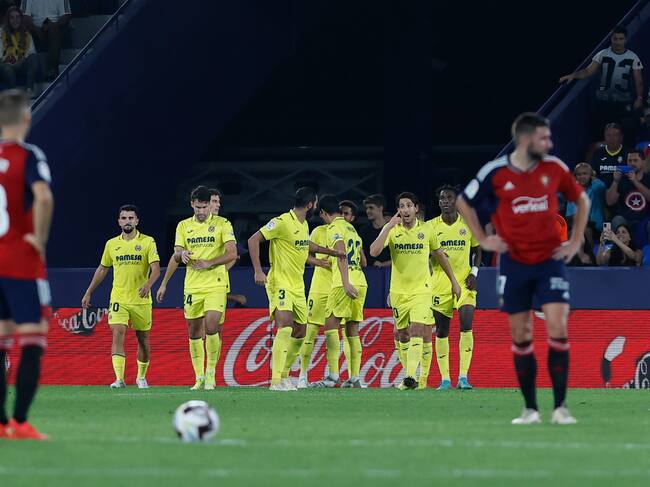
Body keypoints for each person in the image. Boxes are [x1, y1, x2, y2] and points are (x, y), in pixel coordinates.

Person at [457, 112, 590, 425]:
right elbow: (464, 201)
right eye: (544, 138)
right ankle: (530, 409)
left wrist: (574, 241)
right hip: (514, 263)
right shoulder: (496, 172)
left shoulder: (554, 168)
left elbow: (582, 199)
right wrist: (483, 239)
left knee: (558, 327)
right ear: (526, 139)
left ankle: (560, 408)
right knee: (521, 334)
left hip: (550, 262)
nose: (550, 143)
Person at [247, 187, 343, 391]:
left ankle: (284, 376)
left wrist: (331, 253)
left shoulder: (303, 224)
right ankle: (275, 381)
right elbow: (253, 239)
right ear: (310, 205)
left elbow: (306, 245)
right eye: (315, 203)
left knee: (300, 332)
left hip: (298, 286)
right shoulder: (281, 222)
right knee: (285, 327)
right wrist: (258, 271)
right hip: (280, 282)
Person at [0, 89, 53, 440]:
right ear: (26, 118)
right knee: (33, 338)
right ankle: (19, 422)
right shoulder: (28, 155)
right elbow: (44, 197)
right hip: (20, 259)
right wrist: (39, 238)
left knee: (1, 340)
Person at [370, 192, 461, 390]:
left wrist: (454, 281)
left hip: (422, 290)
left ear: (416, 208)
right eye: (401, 206)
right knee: (402, 335)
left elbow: (440, 256)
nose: (405, 210)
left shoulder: (427, 230)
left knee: (418, 330)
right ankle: (409, 378)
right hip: (398, 292)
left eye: (409, 205)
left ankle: (412, 376)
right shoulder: (392, 230)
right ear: (398, 210)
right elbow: (374, 251)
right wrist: (388, 226)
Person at [156, 186, 237, 390]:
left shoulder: (222, 224)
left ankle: (210, 373)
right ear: (192, 204)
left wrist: (210, 262)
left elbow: (232, 253)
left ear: (210, 204)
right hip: (192, 285)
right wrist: (181, 254)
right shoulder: (183, 226)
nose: (201, 211)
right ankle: (198, 377)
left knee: (211, 325)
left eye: (204, 207)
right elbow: (176, 253)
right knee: (193, 331)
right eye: (198, 207)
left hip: (216, 284)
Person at [81, 205, 160, 389]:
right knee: (118, 332)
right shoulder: (111, 244)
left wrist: (148, 284)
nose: (127, 221)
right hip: (119, 298)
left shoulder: (148, 241)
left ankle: (141, 377)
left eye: (131, 218)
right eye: (124, 218)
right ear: (119, 221)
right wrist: (89, 291)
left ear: (137, 221)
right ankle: (119, 379)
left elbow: (156, 268)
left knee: (143, 339)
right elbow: (103, 269)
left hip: (141, 299)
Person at [309, 195, 367, 388]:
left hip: (345, 282)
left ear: (323, 212)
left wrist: (345, 282)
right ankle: (355, 378)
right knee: (352, 330)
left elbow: (341, 251)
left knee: (330, 327)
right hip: (361, 281)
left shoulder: (334, 227)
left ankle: (333, 377)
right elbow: (361, 259)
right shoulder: (351, 228)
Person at [429, 185, 482, 391]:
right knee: (442, 331)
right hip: (439, 284)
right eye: (442, 198)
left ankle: (463, 377)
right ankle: (444, 379)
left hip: (464, 283)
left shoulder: (468, 224)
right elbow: (423, 254)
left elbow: (478, 250)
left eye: (449, 198)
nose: (445, 201)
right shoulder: (431, 226)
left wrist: (474, 273)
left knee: (466, 325)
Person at [559, 25, 644, 139]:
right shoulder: (602, 54)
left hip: (623, 102)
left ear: (626, 39)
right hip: (603, 102)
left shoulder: (633, 57)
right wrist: (573, 75)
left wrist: (639, 98)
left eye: (621, 39)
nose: (618, 42)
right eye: (615, 39)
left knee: (625, 132)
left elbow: (639, 80)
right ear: (611, 39)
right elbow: (588, 71)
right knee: (600, 134)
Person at [297, 217, 334, 389]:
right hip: (319, 288)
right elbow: (302, 253)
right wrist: (317, 262)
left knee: (336, 334)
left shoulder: (348, 232)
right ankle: (302, 375)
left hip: (339, 288)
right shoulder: (318, 231)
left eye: (346, 214)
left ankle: (336, 375)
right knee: (310, 331)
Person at [606, 149, 650, 248]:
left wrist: (635, 181)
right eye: (629, 161)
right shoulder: (620, 179)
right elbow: (610, 202)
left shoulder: (648, 179)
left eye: (635, 160)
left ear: (643, 162)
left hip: (645, 219)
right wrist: (615, 181)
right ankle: (619, 254)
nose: (632, 163)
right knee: (617, 219)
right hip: (625, 219)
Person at [20, 0, 71, 79]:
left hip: (57, 28)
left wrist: (52, 26)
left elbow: (65, 17)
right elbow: (24, 17)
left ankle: (52, 69)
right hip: (34, 29)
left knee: (53, 31)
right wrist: (37, 30)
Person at [0, 6, 39, 96]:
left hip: (21, 64)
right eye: (12, 18)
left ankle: (29, 90)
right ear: (8, 20)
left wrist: (19, 62)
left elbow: (31, 53)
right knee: (7, 70)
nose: (15, 20)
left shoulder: (27, 35)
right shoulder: (1, 33)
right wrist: (9, 63)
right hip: (4, 64)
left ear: (21, 19)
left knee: (34, 58)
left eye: (18, 17)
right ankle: (14, 95)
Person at [590, 123, 627, 187]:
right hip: (601, 189)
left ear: (621, 137)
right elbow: (593, 174)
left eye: (615, 135)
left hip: (622, 190)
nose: (611, 138)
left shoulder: (628, 153)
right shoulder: (598, 153)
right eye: (608, 135)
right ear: (604, 136)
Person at [358, 194, 391, 268]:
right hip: (368, 271)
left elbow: (399, 256)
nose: (368, 211)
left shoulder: (392, 230)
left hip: (389, 271)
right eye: (366, 208)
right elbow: (361, 252)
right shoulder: (364, 231)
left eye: (371, 208)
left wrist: (383, 264)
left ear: (380, 208)